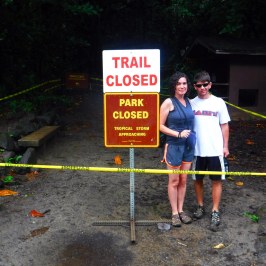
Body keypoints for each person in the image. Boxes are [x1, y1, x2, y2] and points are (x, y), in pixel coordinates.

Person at [190, 70, 230, 231]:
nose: (202, 88)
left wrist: (225, 146)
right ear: (194, 86)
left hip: (215, 149)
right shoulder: (191, 103)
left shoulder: (219, 102)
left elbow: (225, 125)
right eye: (199, 85)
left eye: (205, 85)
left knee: (216, 181)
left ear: (210, 85)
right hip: (197, 150)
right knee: (197, 180)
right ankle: (200, 206)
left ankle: (215, 210)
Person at [160, 71, 195, 227]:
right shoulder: (168, 102)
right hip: (174, 145)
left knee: (183, 180)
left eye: (184, 83)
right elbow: (160, 126)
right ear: (174, 85)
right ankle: (174, 212)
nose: (182, 86)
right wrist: (178, 134)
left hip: (188, 147)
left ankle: (181, 210)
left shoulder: (189, 102)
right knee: (173, 180)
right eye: (179, 83)